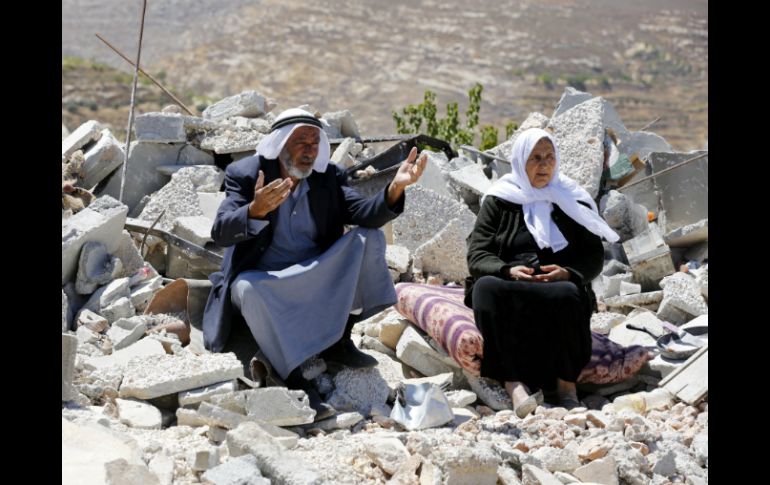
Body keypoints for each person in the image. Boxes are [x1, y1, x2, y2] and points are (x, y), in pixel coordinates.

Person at [202, 108, 426, 417]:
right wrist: (254, 209)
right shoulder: (247, 174)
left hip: (316, 276)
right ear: (280, 144)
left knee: (369, 238)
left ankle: (339, 339)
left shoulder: (327, 177)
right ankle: (294, 375)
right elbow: (221, 232)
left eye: (314, 143)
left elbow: (363, 213)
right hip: (268, 282)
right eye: (301, 142)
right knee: (247, 289)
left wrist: (395, 188)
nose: (309, 151)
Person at [465, 128, 619, 417]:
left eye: (549, 157)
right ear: (521, 161)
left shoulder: (570, 198)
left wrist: (568, 272)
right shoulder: (499, 199)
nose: (544, 164)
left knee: (569, 294)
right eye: (535, 157)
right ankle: (514, 386)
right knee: (485, 289)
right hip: (511, 281)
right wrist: (507, 270)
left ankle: (566, 387)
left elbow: (593, 255)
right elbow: (477, 254)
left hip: (556, 283)